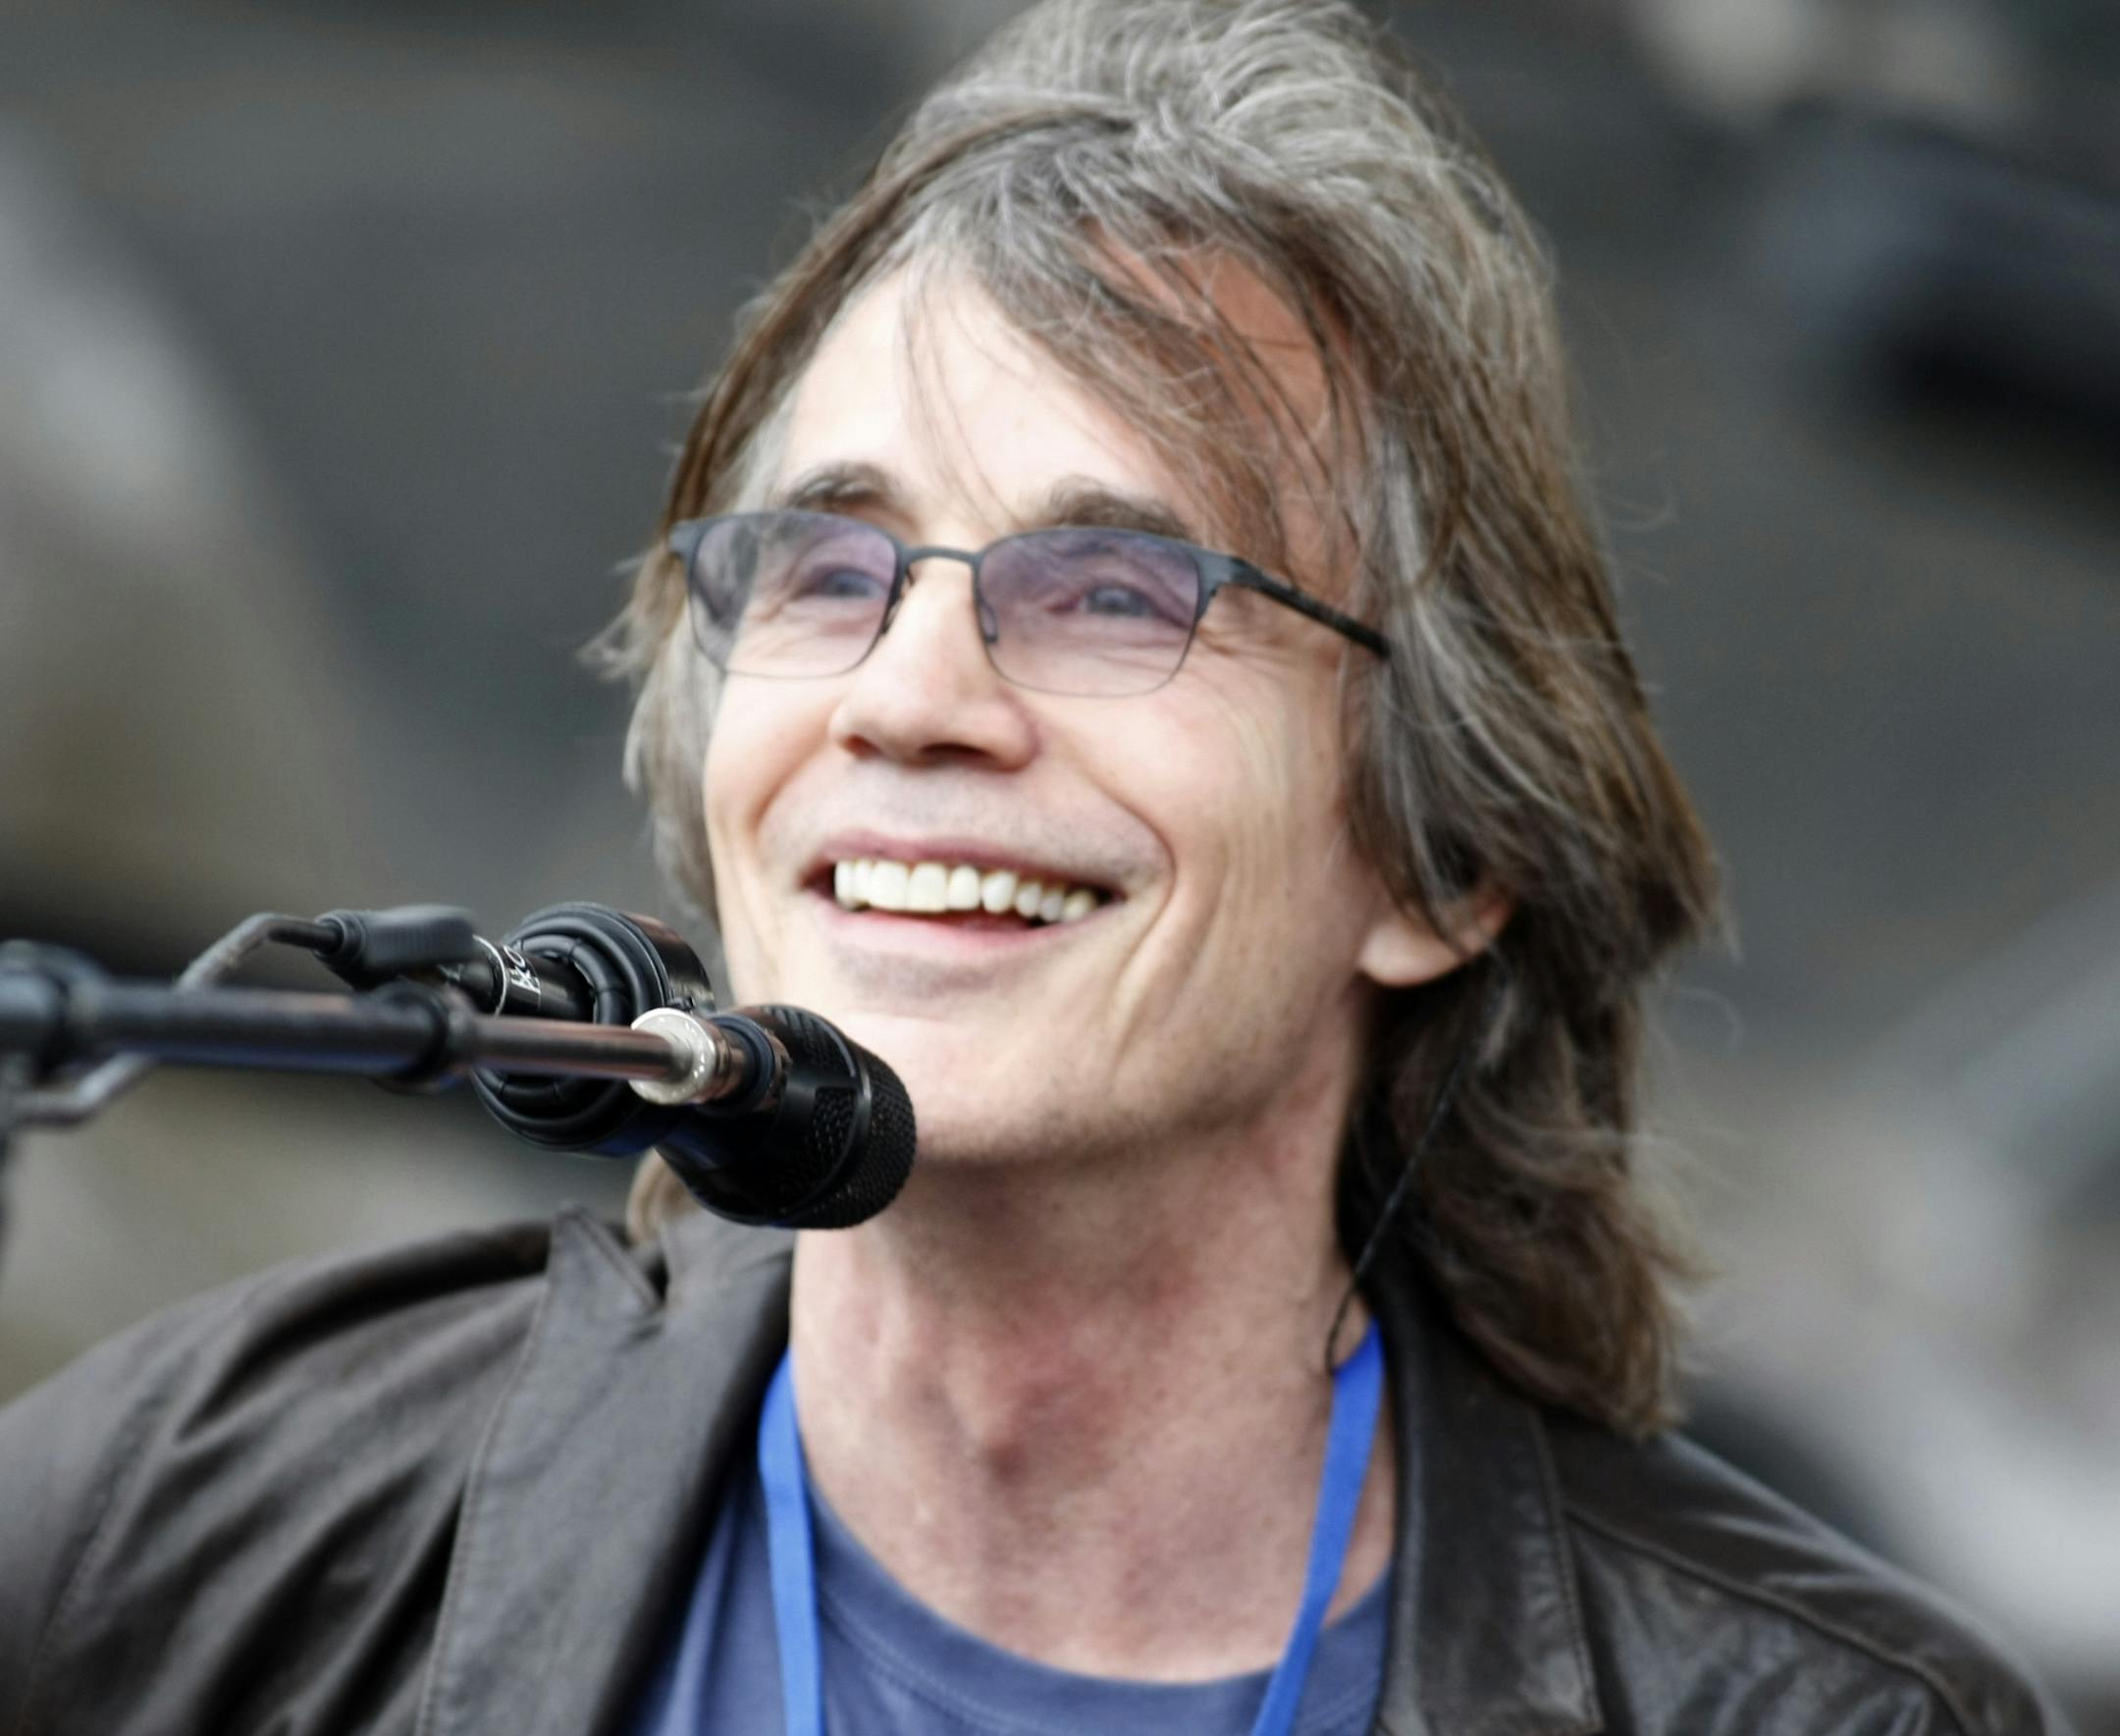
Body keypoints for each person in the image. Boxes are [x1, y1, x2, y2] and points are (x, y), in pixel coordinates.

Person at [0, 1, 2071, 1731]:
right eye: (830, 569)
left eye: (1116, 592)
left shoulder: (1822, 1715)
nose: (910, 696)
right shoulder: (197, 1520)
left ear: (1443, 864)